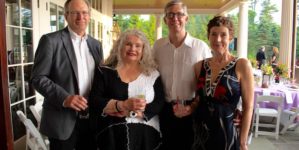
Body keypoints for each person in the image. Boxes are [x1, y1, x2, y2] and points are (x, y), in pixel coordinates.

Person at [30, 0, 103, 149]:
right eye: (75, 12)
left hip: (91, 120)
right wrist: (65, 98)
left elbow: (101, 78)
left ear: (89, 16)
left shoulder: (96, 45)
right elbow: (38, 78)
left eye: (84, 13)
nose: (80, 17)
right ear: (66, 15)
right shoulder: (50, 41)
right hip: (61, 120)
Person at [89, 29, 165, 150]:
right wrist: (121, 105)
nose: (132, 49)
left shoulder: (152, 74)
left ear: (144, 50)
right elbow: (94, 100)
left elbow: (159, 102)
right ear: (120, 46)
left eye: (138, 46)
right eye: (128, 44)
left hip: (146, 133)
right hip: (112, 134)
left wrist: (136, 113)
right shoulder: (105, 72)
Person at [153, 0, 212, 149]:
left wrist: (192, 107)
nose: (175, 18)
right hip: (164, 110)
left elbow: (208, 82)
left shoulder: (200, 47)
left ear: (187, 18)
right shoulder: (158, 46)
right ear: (165, 19)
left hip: (191, 110)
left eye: (179, 14)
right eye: (170, 15)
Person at [192, 16, 254, 150]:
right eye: (213, 34)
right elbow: (197, 99)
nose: (218, 39)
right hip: (202, 135)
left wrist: (243, 143)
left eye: (223, 35)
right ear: (208, 36)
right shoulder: (199, 67)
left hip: (228, 135)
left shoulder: (242, 65)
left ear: (230, 38)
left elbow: (248, 106)